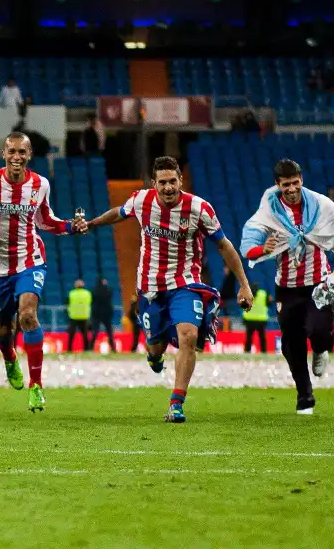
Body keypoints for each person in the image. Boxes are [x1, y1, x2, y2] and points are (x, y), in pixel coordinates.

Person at [75, 156, 253, 423]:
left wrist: (244, 285)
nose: (168, 187)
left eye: (173, 181)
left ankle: (176, 403)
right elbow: (119, 213)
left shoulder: (199, 208)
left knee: (188, 336)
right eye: (163, 182)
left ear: (180, 181)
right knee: (156, 347)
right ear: (153, 184)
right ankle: (153, 355)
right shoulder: (141, 201)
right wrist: (92, 223)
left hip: (186, 284)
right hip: (150, 288)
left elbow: (224, 245)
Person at [0, 132, 83, 412]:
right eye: (12, 152)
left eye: (22, 152)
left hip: (29, 260)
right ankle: (9, 357)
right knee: (3, 328)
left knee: (28, 315)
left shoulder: (39, 185)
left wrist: (70, 226)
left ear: (30, 155)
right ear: (3, 153)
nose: (17, 157)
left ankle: (36, 386)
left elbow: (46, 221)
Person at [240, 159, 334, 415]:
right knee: (292, 343)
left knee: (320, 330)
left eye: (295, 182)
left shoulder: (320, 204)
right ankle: (304, 397)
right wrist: (262, 249)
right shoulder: (269, 210)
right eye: (286, 184)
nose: (291, 188)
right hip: (286, 288)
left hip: (317, 282)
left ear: (302, 180)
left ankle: (321, 349)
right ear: (278, 185)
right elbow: (249, 241)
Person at [89, 277, 116, 352]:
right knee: (109, 332)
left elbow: (92, 300)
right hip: (106, 314)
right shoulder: (108, 290)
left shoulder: (93, 291)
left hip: (96, 313)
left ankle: (90, 347)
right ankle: (113, 348)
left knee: (95, 331)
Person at [241, 283, 268, 353]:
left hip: (249, 319)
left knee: (249, 338)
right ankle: (264, 351)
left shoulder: (246, 294)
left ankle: (247, 351)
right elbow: (269, 303)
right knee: (262, 337)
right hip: (261, 320)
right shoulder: (263, 294)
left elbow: (242, 305)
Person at [67, 279, 92, 352]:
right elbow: (90, 302)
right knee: (85, 335)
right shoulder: (87, 293)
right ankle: (86, 349)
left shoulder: (71, 293)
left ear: (75, 286)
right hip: (84, 316)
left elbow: (68, 303)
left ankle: (69, 349)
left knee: (71, 334)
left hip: (74, 316)